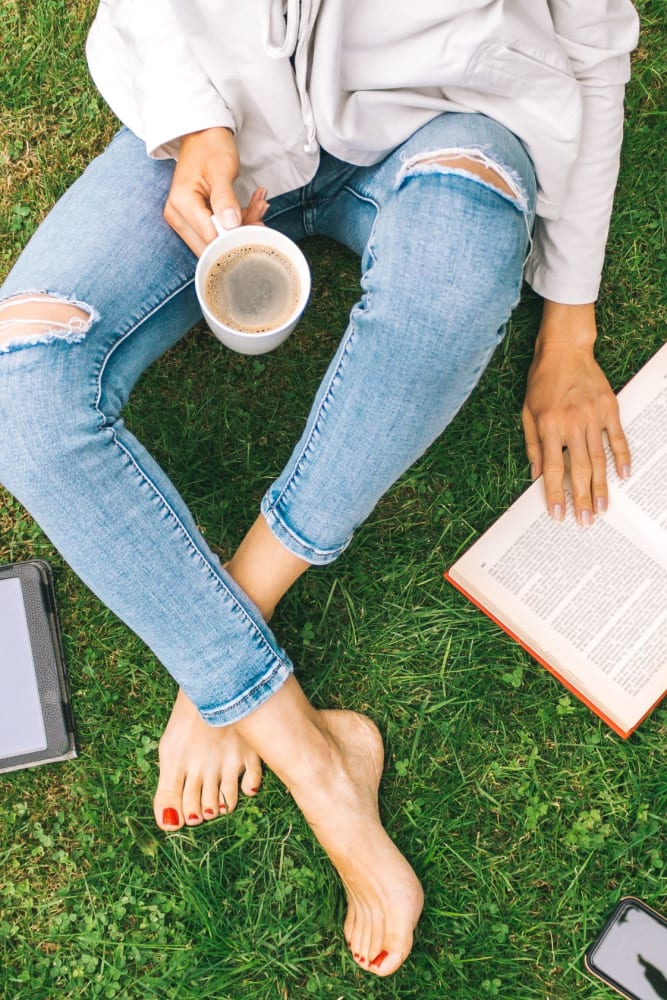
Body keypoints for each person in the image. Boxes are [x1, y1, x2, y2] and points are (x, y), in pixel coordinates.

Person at [0, 0, 639, 977]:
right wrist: (188, 117)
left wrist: (570, 329)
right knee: (19, 385)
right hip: (212, 119)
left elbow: (595, 48)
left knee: (451, 287)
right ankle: (314, 758)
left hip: (447, 117)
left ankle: (234, 624)